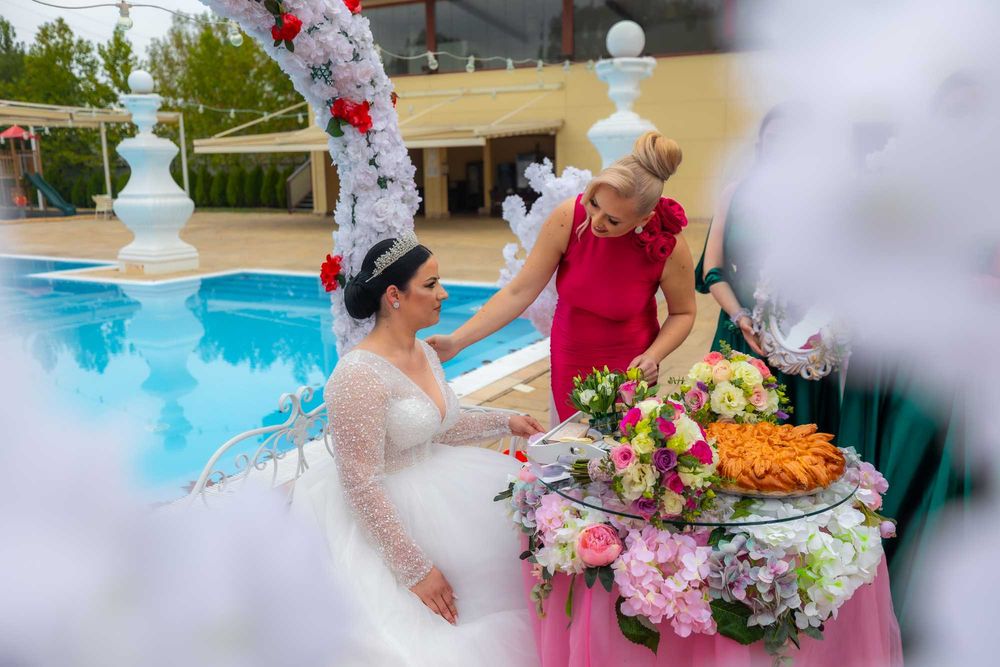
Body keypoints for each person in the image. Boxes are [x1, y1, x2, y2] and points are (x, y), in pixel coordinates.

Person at [291, 234, 544, 666]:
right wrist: (416, 572)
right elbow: (361, 482)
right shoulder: (357, 376)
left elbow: (438, 425)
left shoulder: (426, 353)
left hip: (440, 483)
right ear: (394, 295)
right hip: (384, 514)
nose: (443, 293)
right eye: (431, 284)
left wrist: (507, 421)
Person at [429, 131, 696, 422]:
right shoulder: (568, 217)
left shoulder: (670, 246)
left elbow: (683, 312)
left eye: (613, 220)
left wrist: (654, 356)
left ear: (644, 219)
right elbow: (519, 292)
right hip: (570, 356)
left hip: (630, 365)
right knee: (568, 449)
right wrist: (457, 341)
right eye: (594, 203)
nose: (595, 222)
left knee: (623, 456)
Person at [695, 107, 841, 433]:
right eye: (774, 139)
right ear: (761, 144)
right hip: (742, 334)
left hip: (803, 340)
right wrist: (740, 317)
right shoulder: (734, 194)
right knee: (739, 439)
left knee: (806, 442)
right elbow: (712, 270)